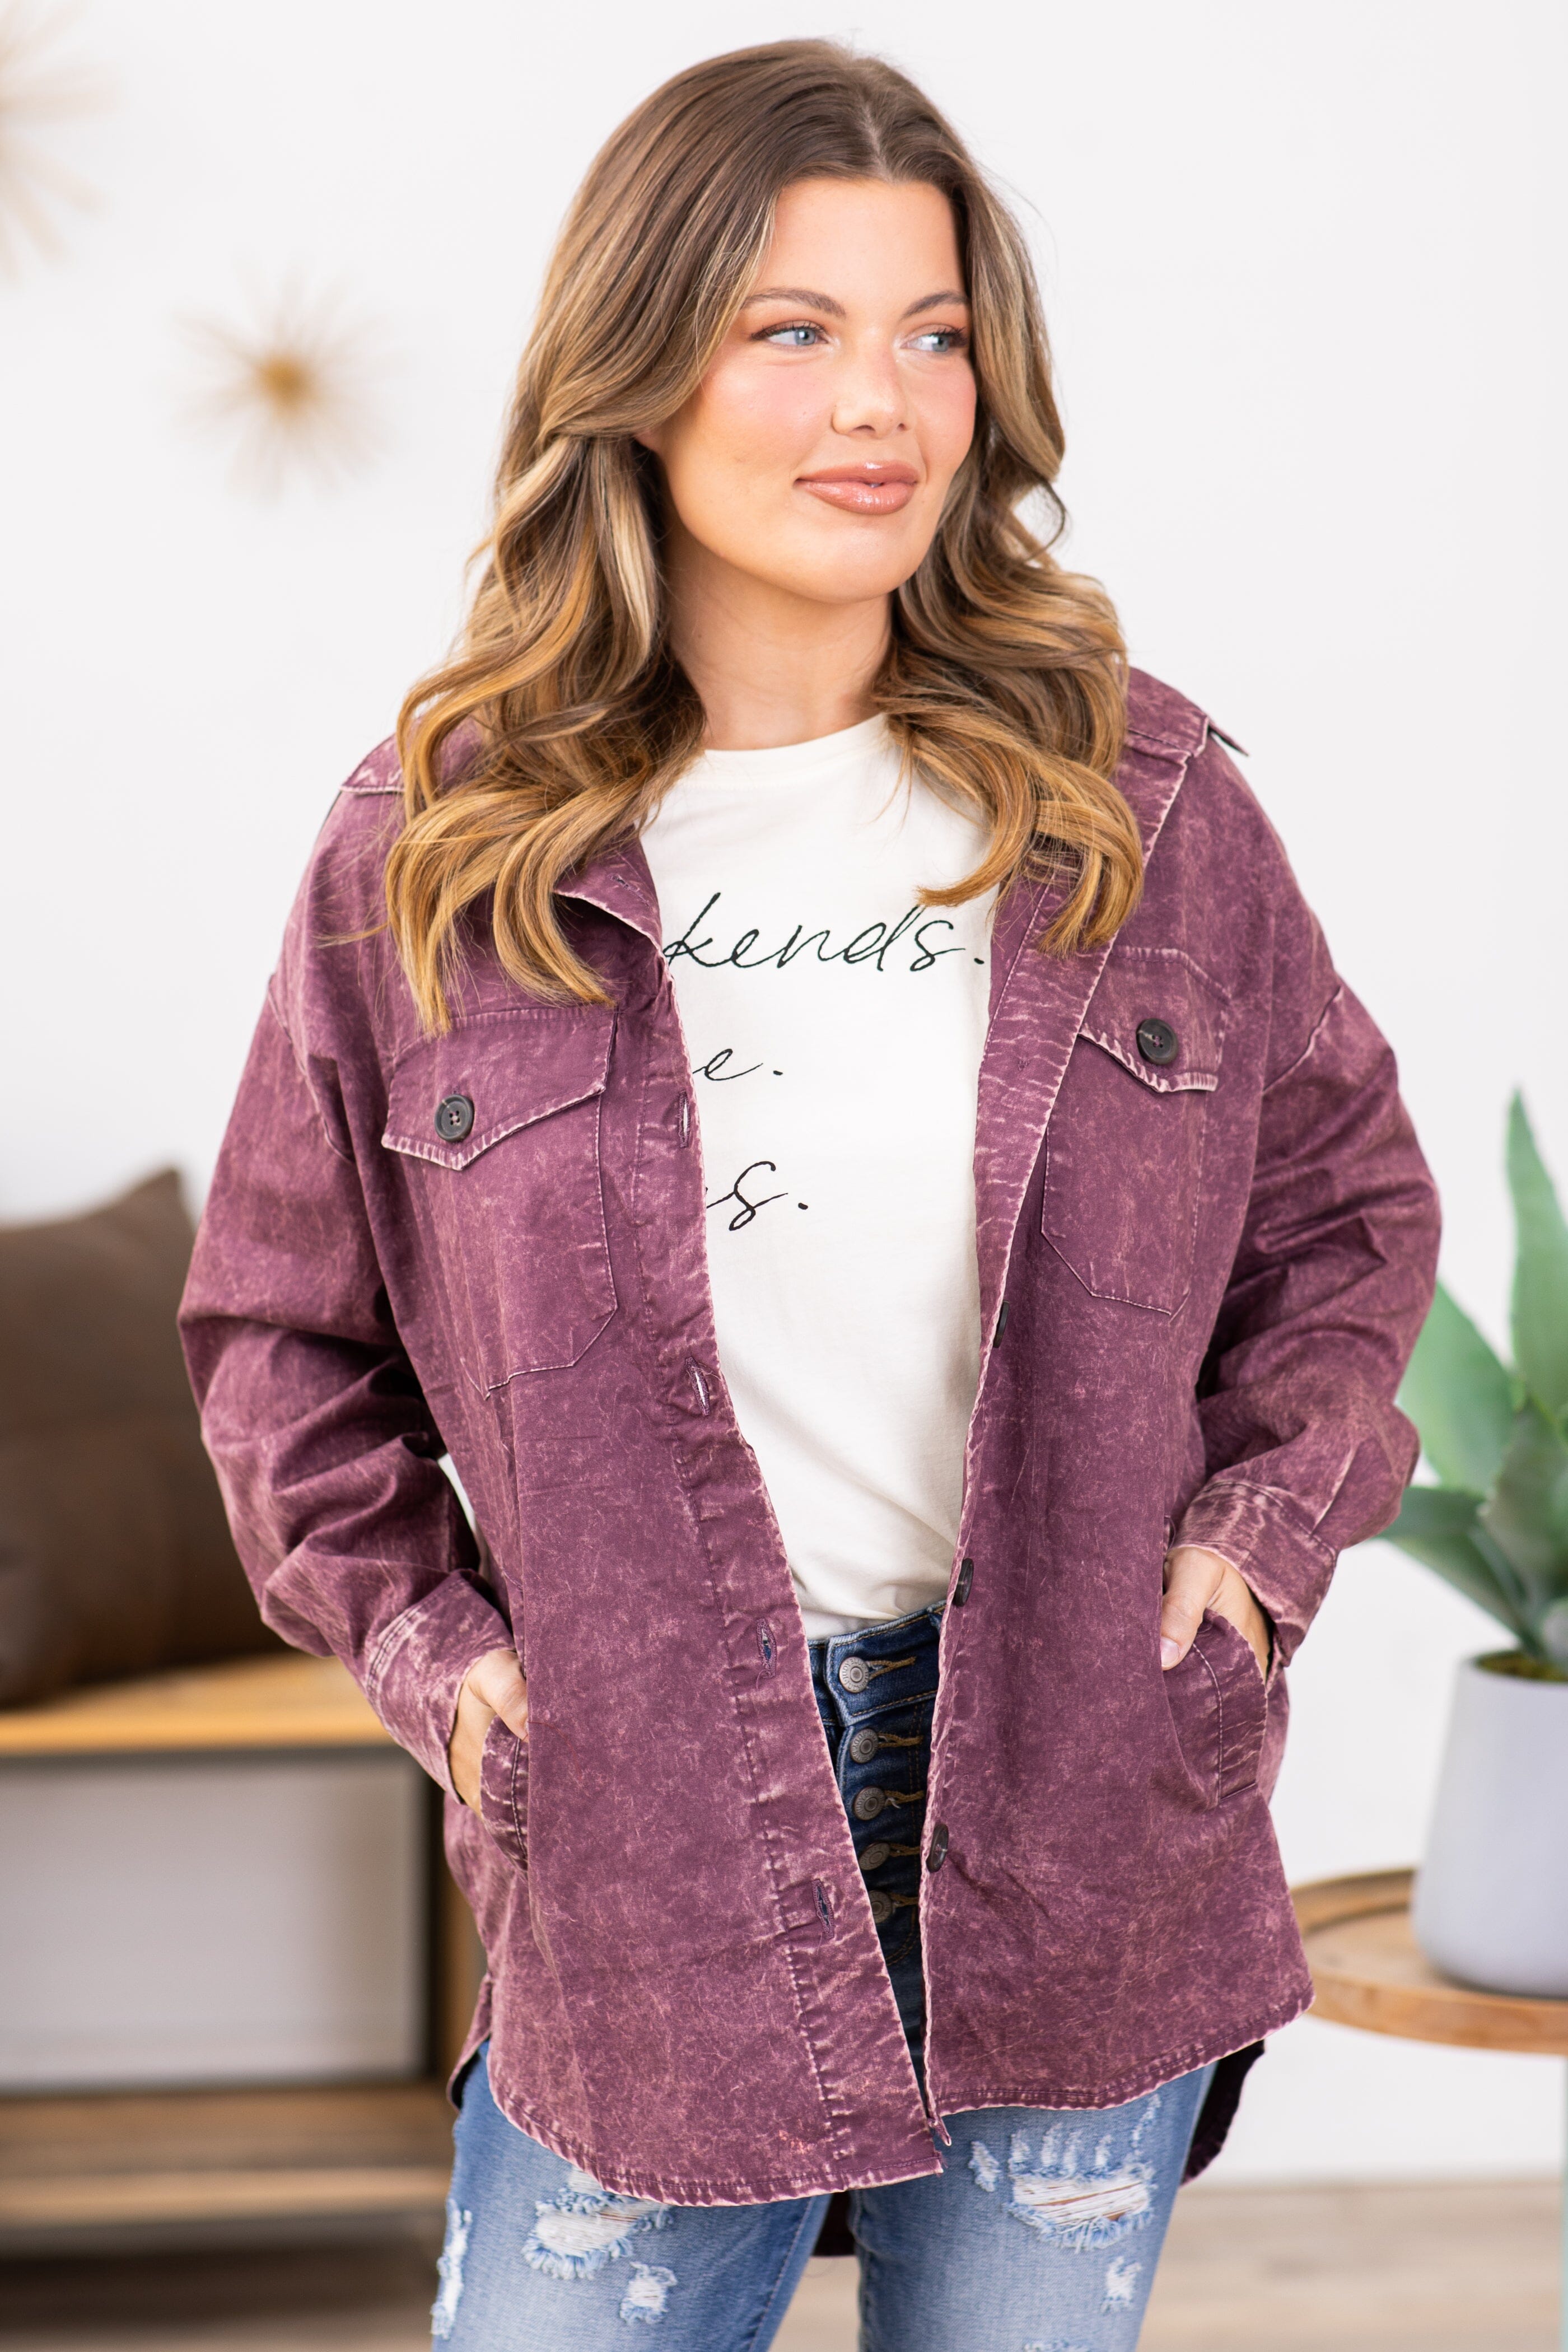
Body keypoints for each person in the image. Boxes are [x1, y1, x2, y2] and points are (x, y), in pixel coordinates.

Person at [180, 40, 1440, 2350]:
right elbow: (279, 1342)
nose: (880, 402)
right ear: (638, 367)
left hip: (1076, 1793)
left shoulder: (1138, 803)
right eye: (793, 327)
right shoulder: (436, 849)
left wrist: (1257, 1552)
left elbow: (1345, 1212)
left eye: (931, 334)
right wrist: (447, 1668)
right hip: (647, 1833)